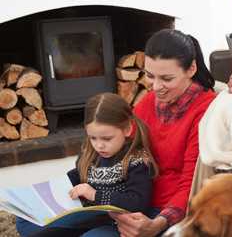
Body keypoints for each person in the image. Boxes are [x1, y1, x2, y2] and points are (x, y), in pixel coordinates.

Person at [110, 29, 216, 236]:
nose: (156, 87)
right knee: (35, 222)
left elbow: (192, 185)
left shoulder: (207, 111)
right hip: (134, 197)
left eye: (167, 78)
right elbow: (124, 149)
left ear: (191, 68)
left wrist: (156, 225)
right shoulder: (150, 102)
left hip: (167, 212)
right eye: (150, 76)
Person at [16, 92, 157, 237]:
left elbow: (138, 203)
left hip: (117, 224)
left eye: (107, 138)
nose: (99, 145)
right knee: (25, 221)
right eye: (93, 138)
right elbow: (75, 177)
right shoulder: (91, 154)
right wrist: (44, 195)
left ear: (127, 129)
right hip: (88, 217)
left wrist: (94, 194)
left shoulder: (137, 161)